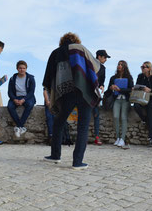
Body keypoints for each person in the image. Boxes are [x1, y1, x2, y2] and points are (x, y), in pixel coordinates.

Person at [42, 32, 100, 169]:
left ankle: (55, 155)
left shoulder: (55, 52)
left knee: (58, 123)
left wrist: (52, 91)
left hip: (65, 92)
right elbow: (96, 66)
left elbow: (48, 77)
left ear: (62, 41)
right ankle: (77, 162)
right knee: (83, 127)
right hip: (85, 91)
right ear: (76, 40)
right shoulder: (81, 49)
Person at [133, 61, 152, 147]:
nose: (142, 68)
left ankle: (150, 138)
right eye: (141, 67)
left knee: (151, 117)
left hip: (151, 99)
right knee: (136, 106)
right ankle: (144, 120)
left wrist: (150, 90)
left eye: (143, 67)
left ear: (149, 68)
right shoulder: (140, 76)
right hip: (141, 98)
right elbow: (137, 86)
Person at [108, 60, 133, 149]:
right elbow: (108, 90)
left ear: (124, 66)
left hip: (125, 100)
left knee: (123, 117)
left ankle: (122, 139)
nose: (119, 66)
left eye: (121, 65)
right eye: (118, 64)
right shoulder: (113, 77)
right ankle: (118, 137)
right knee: (115, 117)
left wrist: (120, 89)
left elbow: (131, 89)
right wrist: (111, 87)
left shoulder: (129, 77)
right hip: (117, 100)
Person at [7, 60, 36, 138]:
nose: (22, 70)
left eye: (24, 68)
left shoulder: (31, 78)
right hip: (16, 97)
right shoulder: (12, 79)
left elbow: (31, 92)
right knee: (10, 106)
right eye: (20, 68)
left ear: (26, 69)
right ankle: (21, 127)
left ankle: (18, 126)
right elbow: (9, 92)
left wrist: (24, 100)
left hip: (27, 97)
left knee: (30, 105)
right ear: (17, 68)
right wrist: (14, 99)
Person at [92, 50, 110, 145]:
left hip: (95, 94)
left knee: (96, 115)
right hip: (86, 93)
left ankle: (97, 137)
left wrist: (102, 86)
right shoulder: (90, 64)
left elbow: (102, 81)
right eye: (105, 57)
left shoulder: (103, 68)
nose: (106, 59)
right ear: (99, 57)